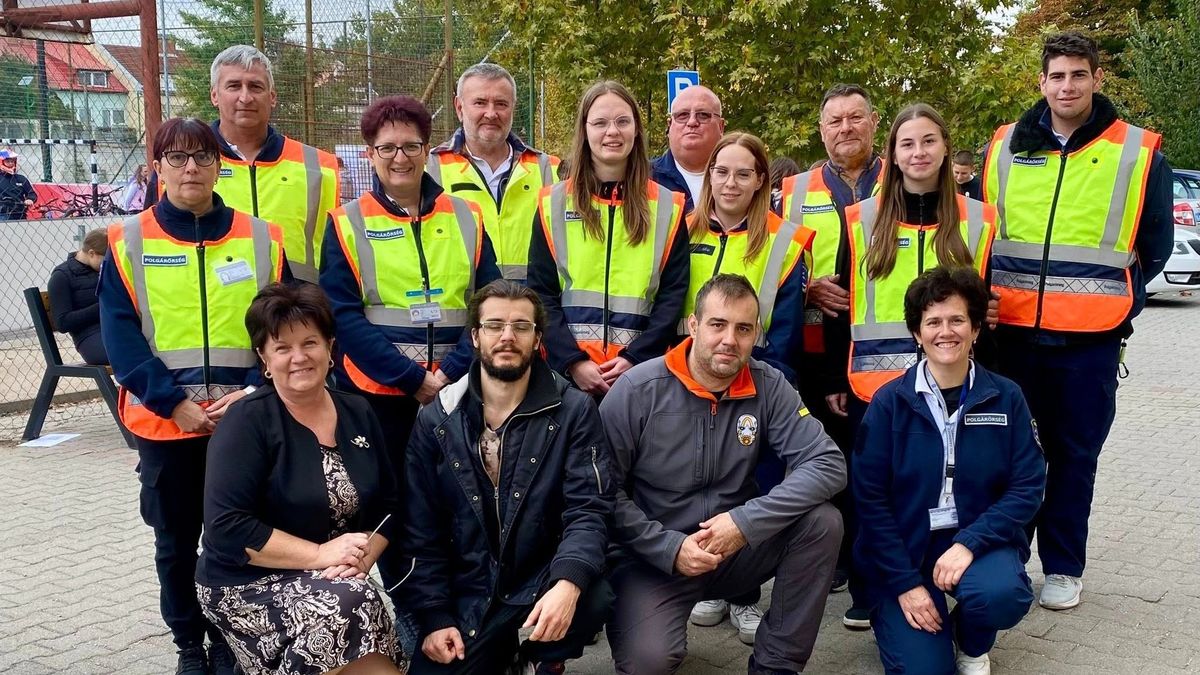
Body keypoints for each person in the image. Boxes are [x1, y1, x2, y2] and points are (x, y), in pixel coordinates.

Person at [981, 30, 1174, 611]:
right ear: (1041, 82)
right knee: (1007, 452)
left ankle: (1063, 566)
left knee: (1073, 454)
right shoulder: (1004, 145)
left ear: (1097, 79)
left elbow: (1156, 244)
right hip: (1009, 334)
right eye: (1056, 75)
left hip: (1089, 339)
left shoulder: (1138, 152)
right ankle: (1004, 559)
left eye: (1078, 75)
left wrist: (1123, 305)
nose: (1067, 85)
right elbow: (983, 234)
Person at [98, 117, 288, 675]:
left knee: (245, 540)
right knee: (176, 544)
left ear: (218, 164)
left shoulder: (261, 237)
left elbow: (281, 323)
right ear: (157, 167)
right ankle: (190, 648)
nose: (190, 168)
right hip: (166, 426)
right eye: (176, 158)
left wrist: (257, 388)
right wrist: (171, 402)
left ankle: (238, 642)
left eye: (202, 157)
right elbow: (120, 336)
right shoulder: (128, 240)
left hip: (246, 422)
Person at [319, 95, 501, 641]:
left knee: (460, 499)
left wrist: (450, 373)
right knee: (392, 507)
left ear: (430, 149)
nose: (400, 157)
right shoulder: (347, 223)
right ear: (369, 154)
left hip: (459, 390)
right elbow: (344, 316)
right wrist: (410, 378)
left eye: (411, 146)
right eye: (387, 148)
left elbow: (487, 302)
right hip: (380, 397)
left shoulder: (466, 217)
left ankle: (465, 607)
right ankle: (411, 615)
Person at [600, 273, 845, 675]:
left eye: (743, 328)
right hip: (654, 558)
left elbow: (828, 463)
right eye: (718, 324)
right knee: (649, 662)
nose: (729, 340)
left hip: (733, 549)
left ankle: (775, 665)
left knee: (822, 522)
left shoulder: (769, 385)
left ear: (755, 334)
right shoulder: (637, 389)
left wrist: (744, 523)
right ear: (694, 326)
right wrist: (669, 549)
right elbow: (602, 491)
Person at [825, 102, 998, 630]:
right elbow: (840, 302)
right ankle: (868, 588)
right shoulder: (861, 220)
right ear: (892, 155)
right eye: (907, 144)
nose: (918, 153)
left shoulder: (978, 219)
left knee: (944, 482)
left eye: (928, 141)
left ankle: (953, 580)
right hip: (875, 386)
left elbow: (986, 309)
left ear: (945, 148)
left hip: (954, 385)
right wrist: (835, 375)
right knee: (870, 488)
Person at [401, 279, 614, 675]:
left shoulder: (574, 412)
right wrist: (434, 617)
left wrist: (568, 582)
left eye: (521, 327)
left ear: (537, 339)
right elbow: (420, 530)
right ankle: (507, 655)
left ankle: (540, 658)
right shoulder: (437, 419)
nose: (507, 336)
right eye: (495, 325)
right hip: (470, 589)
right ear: (475, 337)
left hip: (539, 579)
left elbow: (589, 509)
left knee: (594, 595)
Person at [197, 282, 403, 675]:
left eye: (309, 343)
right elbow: (227, 528)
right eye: (282, 348)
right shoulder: (247, 421)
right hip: (245, 582)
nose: (298, 357)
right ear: (263, 358)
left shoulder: (358, 410)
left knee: (349, 599)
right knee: (349, 603)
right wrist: (320, 555)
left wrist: (362, 556)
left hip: (336, 576)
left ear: (330, 347)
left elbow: (390, 506)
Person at [854, 266, 1045, 675]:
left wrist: (971, 542)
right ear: (916, 333)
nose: (947, 331)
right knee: (925, 669)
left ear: (976, 328)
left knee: (1002, 595)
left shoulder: (1006, 397)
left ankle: (972, 643)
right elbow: (870, 501)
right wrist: (905, 585)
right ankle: (900, 619)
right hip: (905, 552)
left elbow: (1028, 485)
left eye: (958, 319)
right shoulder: (888, 403)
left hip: (975, 545)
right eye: (933, 321)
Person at [775, 83, 885, 622]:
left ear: (874, 123)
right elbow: (770, 261)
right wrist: (806, 285)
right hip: (816, 345)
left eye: (856, 118)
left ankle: (873, 561)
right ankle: (836, 558)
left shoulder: (903, 179)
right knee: (823, 456)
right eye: (835, 120)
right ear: (821, 130)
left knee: (875, 462)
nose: (846, 128)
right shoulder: (792, 190)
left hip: (883, 348)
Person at [528, 80, 689, 397]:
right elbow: (540, 292)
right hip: (566, 378)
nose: (612, 132)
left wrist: (635, 358)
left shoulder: (669, 206)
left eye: (622, 121)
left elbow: (673, 295)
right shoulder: (553, 203)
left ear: (637, 130)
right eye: (600, 122)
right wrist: (573, 362)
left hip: (643, 375)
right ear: (584, 131)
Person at [146, 45, 339, 283]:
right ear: (214, 95)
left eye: (256, 86)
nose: (245, 97)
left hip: (296, 309)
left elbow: (334, 253)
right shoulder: (177, 166)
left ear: (273, 96)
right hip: (210, 307)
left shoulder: (319, 166)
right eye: (234, 86)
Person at [427, 63, 560, 283]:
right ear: (459, 108)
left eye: (501, 104)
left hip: (531, 309)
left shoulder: (549, 169)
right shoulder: (430, 169)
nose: (491, 113)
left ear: (513, 109)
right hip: (464, 309)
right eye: (480, 103)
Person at [651, 85, 725, 213]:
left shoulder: (742, 180)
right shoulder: (642, 178)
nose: (692, 122)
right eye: (682, 115)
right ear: (669, 126)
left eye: (703, 115)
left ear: (721, 126)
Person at [48, 227, 109, 365]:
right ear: (92, 253)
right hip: (89, 336)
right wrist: (103, 307)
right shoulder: (62, 276)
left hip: (117, 328)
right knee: (129, 355)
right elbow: (62, 322)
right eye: (106, 260)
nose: (110, 264)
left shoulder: (105, 270)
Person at [0, 149, 36, 220]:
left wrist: (30, 199)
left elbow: (32, 194)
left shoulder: (21, 178)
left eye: (12, 161)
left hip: (19, 212)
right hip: (2, 213)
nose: (10, 163)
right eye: (8, 161)